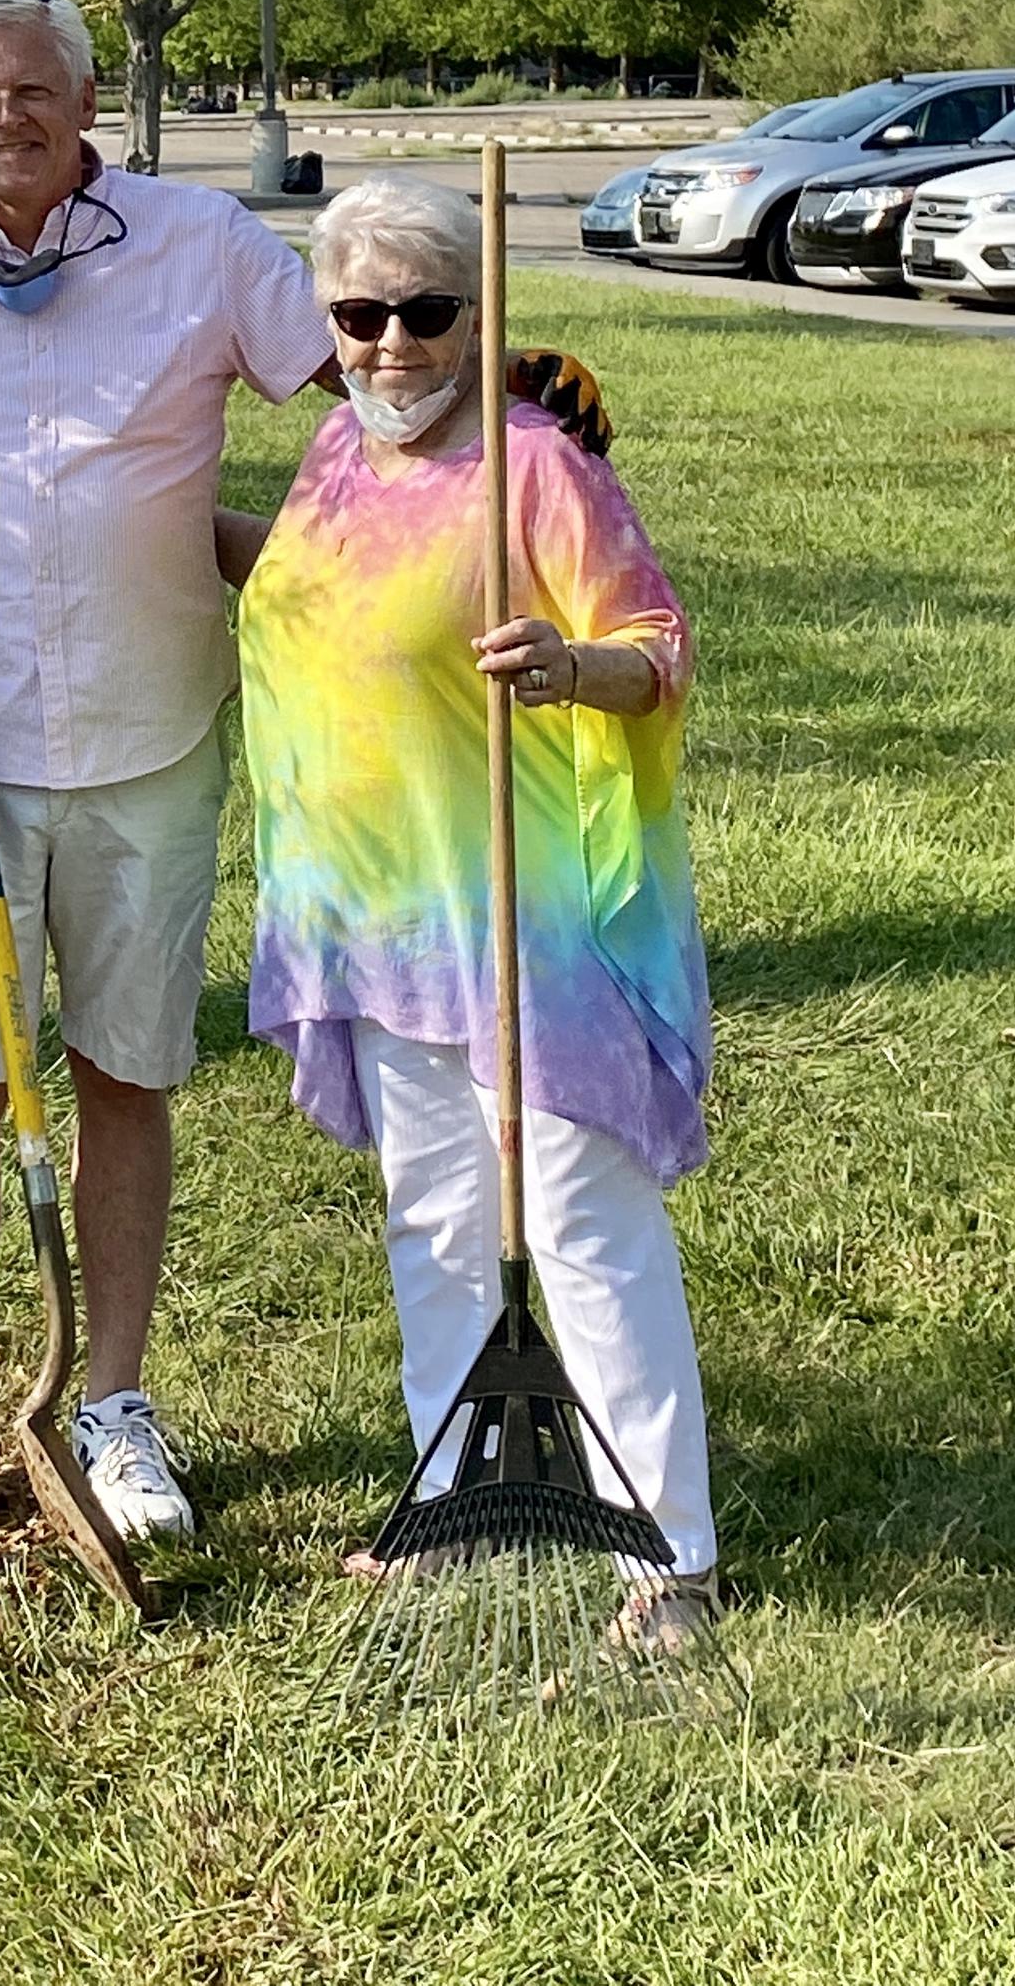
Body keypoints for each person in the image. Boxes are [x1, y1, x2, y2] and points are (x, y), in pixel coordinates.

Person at [0, 0, 612, 1561]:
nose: (1, 120)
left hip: (153, 730)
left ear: (84, 100)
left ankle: (115, 1401)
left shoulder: (200, 244)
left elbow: (371, 381)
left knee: (125, 1068)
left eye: (29, 91)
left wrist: (513, 388)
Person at [235, 171, 718, 1650]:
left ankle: (669, 1551)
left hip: (526, 912)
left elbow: (656, 640)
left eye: (426, 312)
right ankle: (453, 1489)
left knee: (575, 1213)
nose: (390, 342)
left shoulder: (533, 467)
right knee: (433, 1214)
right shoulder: (329, 453)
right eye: (360, 314)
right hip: (378, 910)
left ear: (477, 317)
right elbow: (302, 589)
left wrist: (574, 669)